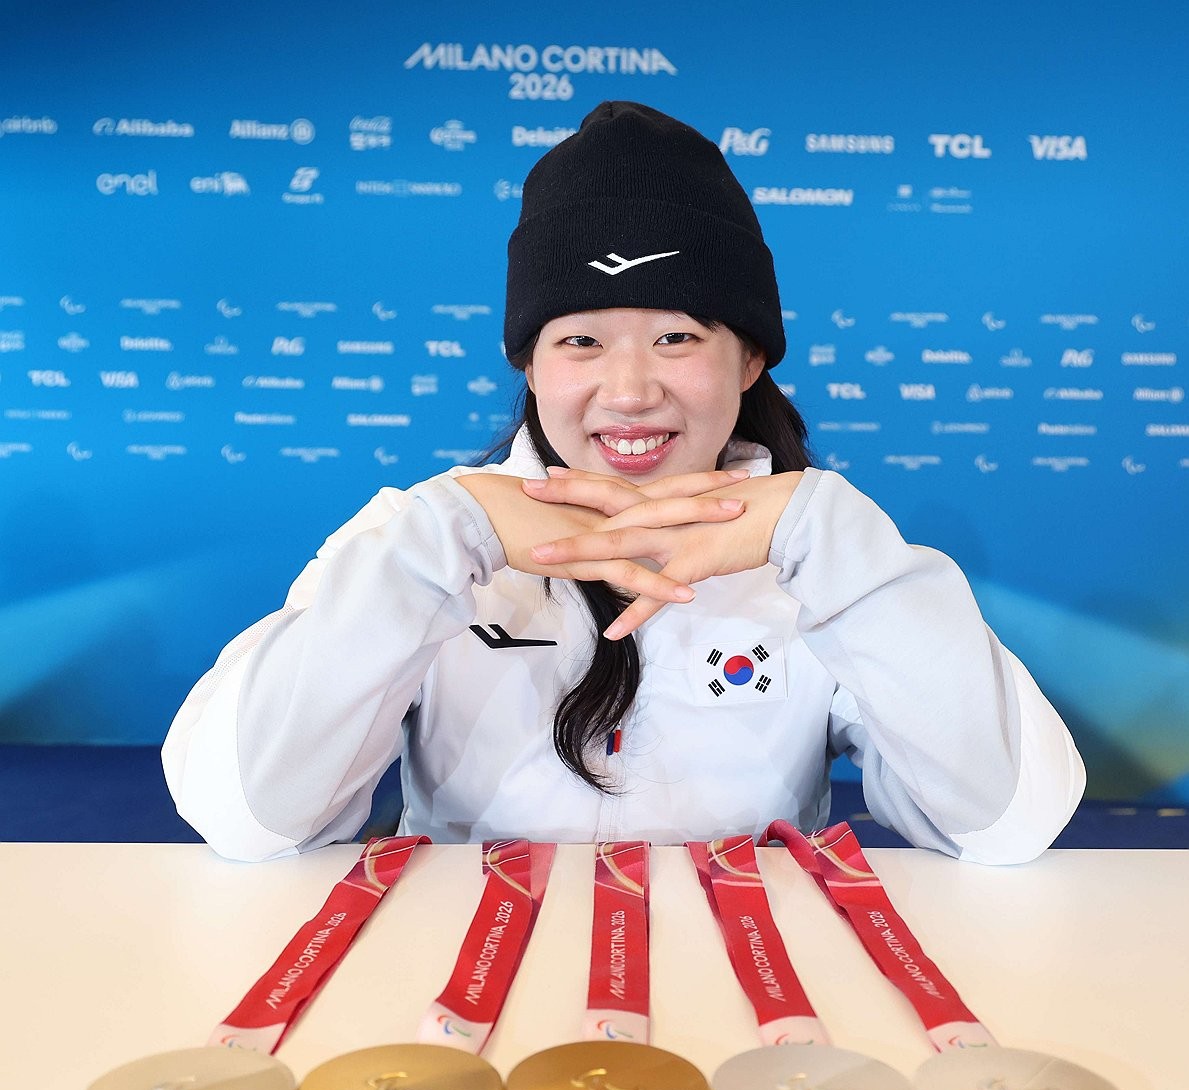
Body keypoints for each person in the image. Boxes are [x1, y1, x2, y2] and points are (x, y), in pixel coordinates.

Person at [162, 101, 1083, 865]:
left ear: (750, 357)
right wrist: (437, 543)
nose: (631, 390)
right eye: (581, 341)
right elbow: (250, 821)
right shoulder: (420, 541)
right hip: (462, 992)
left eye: (677, 337)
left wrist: (828, 539)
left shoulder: (823, 558)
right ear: (530, 364)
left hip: (752, 991)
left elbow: (1005, 825)